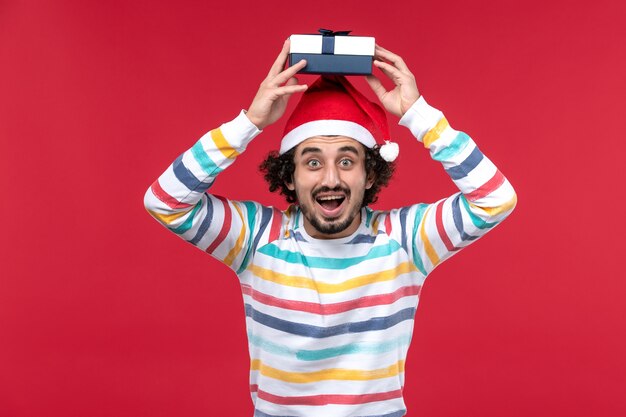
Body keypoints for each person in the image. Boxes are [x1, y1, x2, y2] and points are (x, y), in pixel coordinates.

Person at [144, 39, 517, 417]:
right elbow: (165, 201)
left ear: (370, 173)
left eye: (346, 160)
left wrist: (419, 117)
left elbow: (495, 199)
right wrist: (248, 124)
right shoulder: (256, 238)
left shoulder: (404, 241)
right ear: (289, 177)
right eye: (312, 162)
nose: (330, 179)